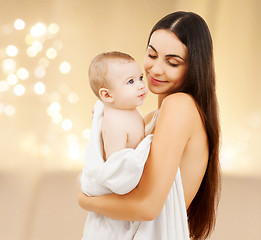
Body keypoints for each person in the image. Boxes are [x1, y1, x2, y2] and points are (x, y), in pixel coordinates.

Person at [78, 11, 221, 240]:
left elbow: (147, 207)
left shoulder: (180, 105)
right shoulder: (148, 119)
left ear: (194, 67)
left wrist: (86, 200)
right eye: (152, 55)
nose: (155, 69)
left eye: (172, 62)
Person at [81, 51, 153, 239]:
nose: (140, 86)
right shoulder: (115, 123)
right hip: (113, 212)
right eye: (130, 82)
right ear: (107, 95)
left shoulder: (128, 111)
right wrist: (147, 147)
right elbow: (117, 170)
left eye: (140, 78)